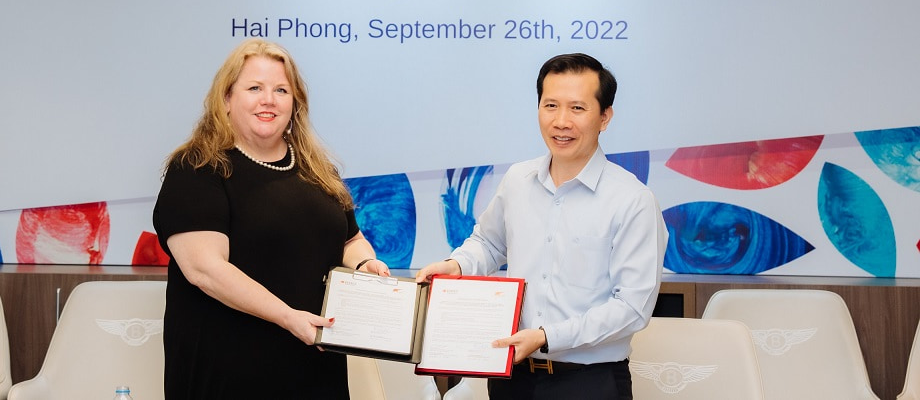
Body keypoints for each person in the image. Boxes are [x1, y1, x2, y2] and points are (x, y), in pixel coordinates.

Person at [417, 53, 667, 400]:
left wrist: (547, 336)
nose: (561, 121)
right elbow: (489, 244)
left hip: (589, 383)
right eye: (550, 105)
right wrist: (455, 265)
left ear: (605, 117)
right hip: (512, 379)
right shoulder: (518, 179)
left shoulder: (633, 200)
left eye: (577, 108)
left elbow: (631, 309)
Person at [153, 39, 389, 399]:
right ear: (226, 99)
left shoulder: (318, 171)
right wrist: (288, 316)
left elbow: (349, 240)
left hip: (315, 371)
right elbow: (205, 269)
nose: (269, 99)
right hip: (227, 375)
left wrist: (365, 263)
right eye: (254, 88)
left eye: (281, 90)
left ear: (295, 104)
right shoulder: (198, 168)